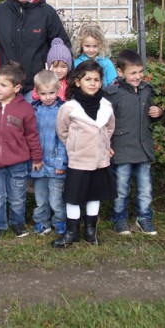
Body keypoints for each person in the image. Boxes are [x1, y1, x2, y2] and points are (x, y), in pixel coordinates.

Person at [0, 61, 43, 239]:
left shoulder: (25, 109)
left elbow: (32, 135)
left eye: (3, 85)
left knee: (17, 197)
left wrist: (37, 158)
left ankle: (17, 223)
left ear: (17, 88)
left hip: (18, 163)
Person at [53, 60, 115, 248]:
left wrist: (103, 144)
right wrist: (74, 145)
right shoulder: (69, 107)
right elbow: (62, 130)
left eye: (97, 79)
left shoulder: (106, 106)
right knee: (74, 196)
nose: (93, 83)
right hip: (79, 160)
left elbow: (110, 127)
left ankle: (90, 231)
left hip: (99, 160)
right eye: (88, 79)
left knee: (94, 194)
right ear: (78, 82)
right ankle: (72, 232)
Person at [104, 50, 163, 236]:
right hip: (122, 149)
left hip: (143, 147)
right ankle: (119, 219)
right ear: (120, 73)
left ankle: (144, 217)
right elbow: (104, 122)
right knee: (121, 188)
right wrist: (107, 145)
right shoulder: (112, 94)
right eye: (133, 73)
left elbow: (148, 115)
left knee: (145, 187)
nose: (138, 76)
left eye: (140, 72)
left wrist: (157, 113)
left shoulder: (146, 90)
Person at [30, 70, 68, 236]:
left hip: (55, 164)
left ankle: (60, 221)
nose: (48, 97)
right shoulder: (33, 110)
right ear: (36, 92)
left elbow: (64, 139)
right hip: (38, 164)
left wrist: (61, 162)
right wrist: (32, 159)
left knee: (56, 198)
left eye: (52, 93)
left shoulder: (62, 110)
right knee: (40, 198)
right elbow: (30, 137)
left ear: (59, 90)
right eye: (43, 93)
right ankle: (41, 222)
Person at [32, 37, 72, 102]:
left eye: (63, 67)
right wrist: (47, 76)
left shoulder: (70, 83)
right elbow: (35, 95)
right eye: (55, 67)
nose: (59, 70)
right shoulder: (43, 79)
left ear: (68, 67)